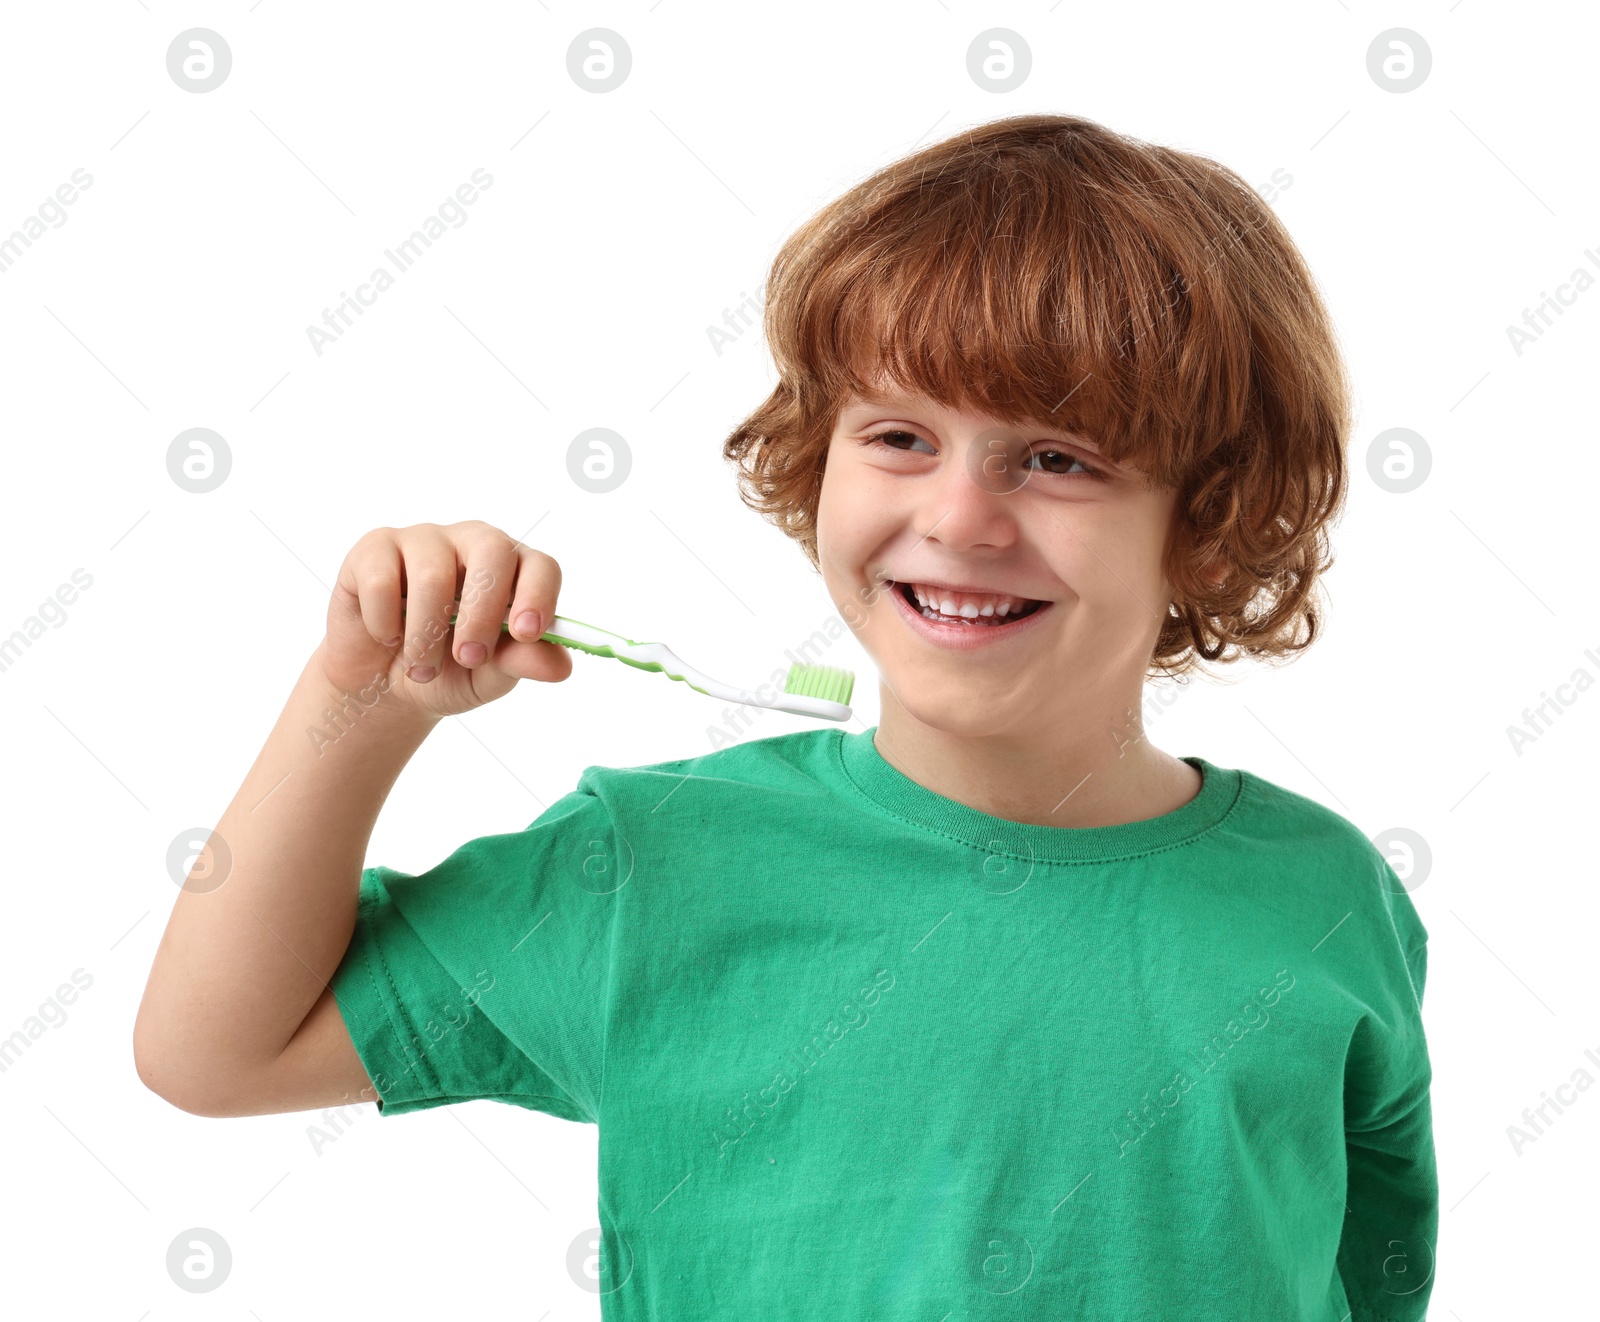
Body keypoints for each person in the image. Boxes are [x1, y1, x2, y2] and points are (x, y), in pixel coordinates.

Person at [134, 113, 1437, 1320]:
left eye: (1057, 457)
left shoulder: (1329, 900)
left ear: (1208, 523)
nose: (961, 519)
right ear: (818, 466)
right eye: (900, 436)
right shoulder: (647, 867)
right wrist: (360, 706)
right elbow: (214, 1054)